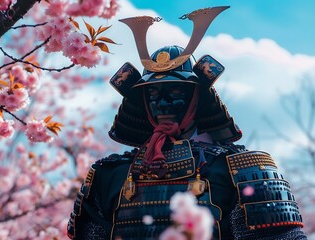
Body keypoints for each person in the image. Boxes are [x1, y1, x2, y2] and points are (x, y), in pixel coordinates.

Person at [67, 7, 307, 240]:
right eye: (152, 95)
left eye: (175, 92)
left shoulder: (242, 170)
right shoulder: (108, 174)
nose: (162, 104)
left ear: (198, 99)